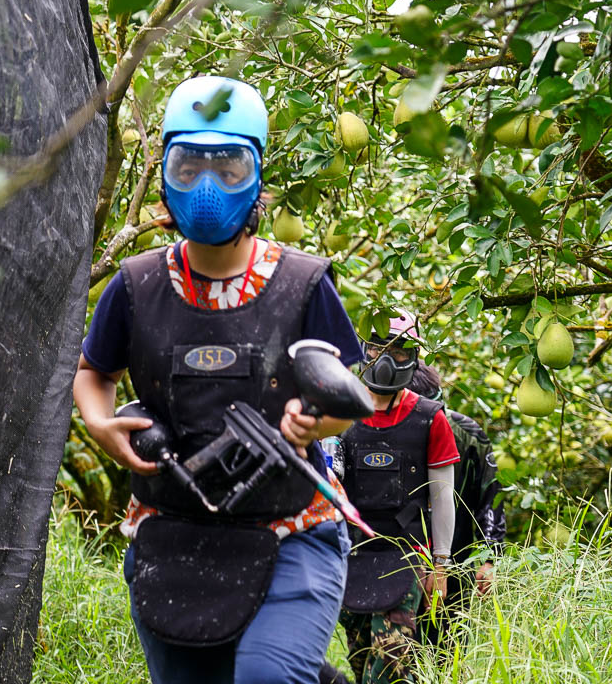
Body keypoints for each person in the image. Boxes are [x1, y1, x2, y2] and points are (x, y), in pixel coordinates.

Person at [73, 75, 366, 684]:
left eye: (228, 167)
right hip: (172, 536)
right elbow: (92, 373)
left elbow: (345, 395)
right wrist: (102, 425)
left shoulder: (304, 284)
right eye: (189, 166)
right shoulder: (136, 284)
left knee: (269, 678)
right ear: (164, 174)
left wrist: (315, 422)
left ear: (257, 176)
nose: (207, 187)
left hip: (292, 529)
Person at [333, 313, 459, 684]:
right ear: (364, 350)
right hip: (352, 555)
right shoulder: (339, 412)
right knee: (361, 663)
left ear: (414, 358)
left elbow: (443, 496)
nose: (387, 362)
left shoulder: (430, 418)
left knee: (392, 662)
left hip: (407, 556)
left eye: (399, 354)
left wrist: (441, 565)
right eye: (378, 350)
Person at [406, 362, 506, 649]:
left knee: (446, 651)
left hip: (455, 560)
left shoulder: (468, 434)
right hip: (399, 556)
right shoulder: (385, 425)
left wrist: (490, 558)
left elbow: (491, 497)